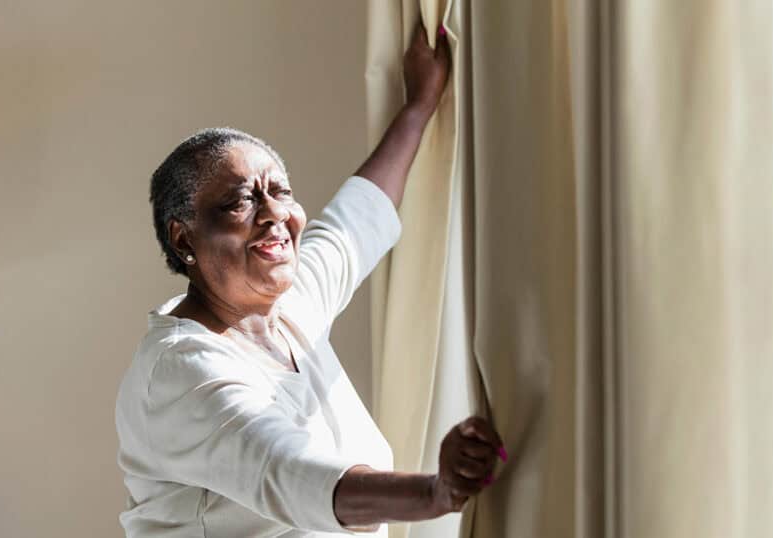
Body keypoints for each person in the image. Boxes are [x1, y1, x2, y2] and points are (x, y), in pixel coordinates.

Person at [115, 22, 506, 537]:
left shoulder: (285, 307)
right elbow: (291, 473)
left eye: (280, 189)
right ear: (184, 239)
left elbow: (355, 220)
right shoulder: (180, 374)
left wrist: (420, 106)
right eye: (240, 201)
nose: (274, 212)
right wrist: (436, 492)